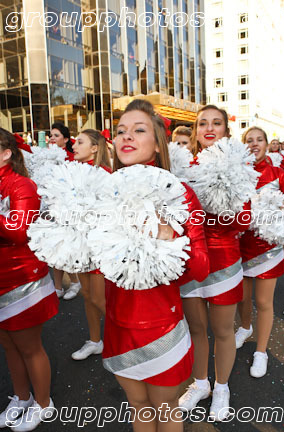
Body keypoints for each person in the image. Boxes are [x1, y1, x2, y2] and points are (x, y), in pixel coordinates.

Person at [102, 99, 209, 432]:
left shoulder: (180, 194)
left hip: (161, 326)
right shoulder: (104, 192)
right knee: (138, 407)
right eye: (120, 131)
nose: (126, 137)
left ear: (158, 145)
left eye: (138, 130)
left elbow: (201, 267)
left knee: (166, 410)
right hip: (118, 325)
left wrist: (168, 239)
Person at [179, 105, 251, 421]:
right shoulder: (182, 168)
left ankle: (222, 387)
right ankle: (200, 383)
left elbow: (245, 219)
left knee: (222, 331)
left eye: (216, 123)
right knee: (196, 329)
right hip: (191, 261)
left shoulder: (240, 166)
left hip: (223, 261)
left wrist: (223, 208)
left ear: (226, 130)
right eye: (202, 123)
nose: (209, 128)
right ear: (195, 132)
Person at [0, 128, 58, 431]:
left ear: (6, 153)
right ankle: (21, 398)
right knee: (9, 346)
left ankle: (44, 403)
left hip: (22, 279)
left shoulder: (22, 184)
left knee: (29, 346)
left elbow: (19, 231)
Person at [235, 127, 284, 377]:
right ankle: (245, 328)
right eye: (249, 140)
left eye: (259, 140)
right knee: (242, 298)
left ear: (267, 145)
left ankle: (261, 351)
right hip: (240, 247)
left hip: (268, 249)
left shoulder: (279, 174)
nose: (254, 144)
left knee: (264, 302)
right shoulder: (237, 174)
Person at [71, 129, 112, 360]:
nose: (74, 146)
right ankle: (95, 341)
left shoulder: (105, 175)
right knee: (87, 295)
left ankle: (127, 340)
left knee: (98, 298)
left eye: (79, 142)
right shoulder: (74, 173)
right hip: (79, 243)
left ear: (95, 148)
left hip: (98, 245)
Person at [48, 123, 81, 300]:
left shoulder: (71, 157)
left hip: (68, 209)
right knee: (54, 248)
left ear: (66, 139)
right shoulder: (45, 157)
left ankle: (75, 281)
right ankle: (58, 286)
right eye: (51, 135)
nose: (52, 138)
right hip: (51, 207)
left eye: (56, 135)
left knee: (65, 248)